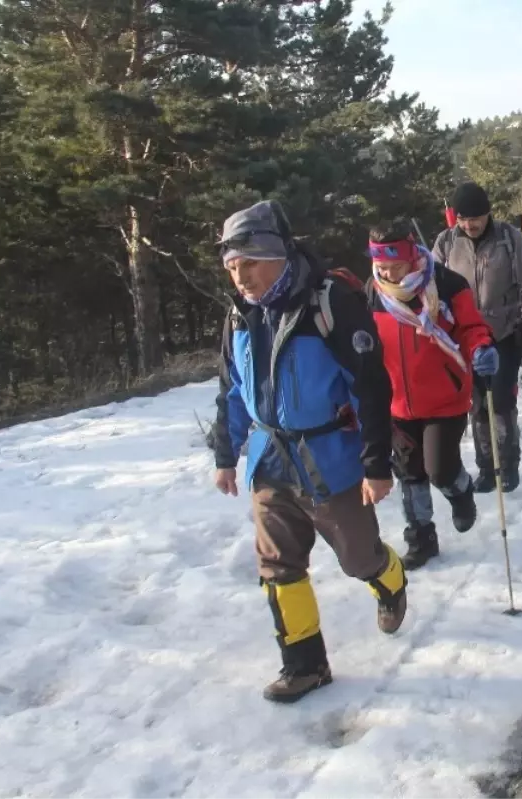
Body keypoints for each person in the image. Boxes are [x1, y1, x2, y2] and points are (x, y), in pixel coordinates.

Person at [211, 200, 405, 704]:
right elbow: (232, 388)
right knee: (277, 567)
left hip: (332, 460)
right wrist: (225, 452)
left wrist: (376, 463)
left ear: (278, 255)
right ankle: (305, 665)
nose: (241, 277)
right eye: (232, 267)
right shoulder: (239, 316)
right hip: (269, 457)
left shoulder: (331, 303)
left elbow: (369, 387)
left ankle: (387, 578)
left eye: (250, 263)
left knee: (358, 558)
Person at [366, 221, 497, 570]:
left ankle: (461, 491)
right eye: (382, 267)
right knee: (410, 474)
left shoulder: (447, 285)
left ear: (412, 257)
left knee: (439, 469)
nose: (389, 273)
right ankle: (421, 537)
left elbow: (471, 327)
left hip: (445, 397)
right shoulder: (374, 292)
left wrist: (482, 348)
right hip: (396, 402)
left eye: (395, 265)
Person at [431, 182, 522, 494]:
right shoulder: (446, 242)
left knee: (502, 401)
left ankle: (508, 463)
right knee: (477, 405)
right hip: (463, 337)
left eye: (475, 218)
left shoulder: (509, 238)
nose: (470, 225)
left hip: (504, 332)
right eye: (463, 219)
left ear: (488, 214)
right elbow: (431, 287)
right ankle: (486, 467)